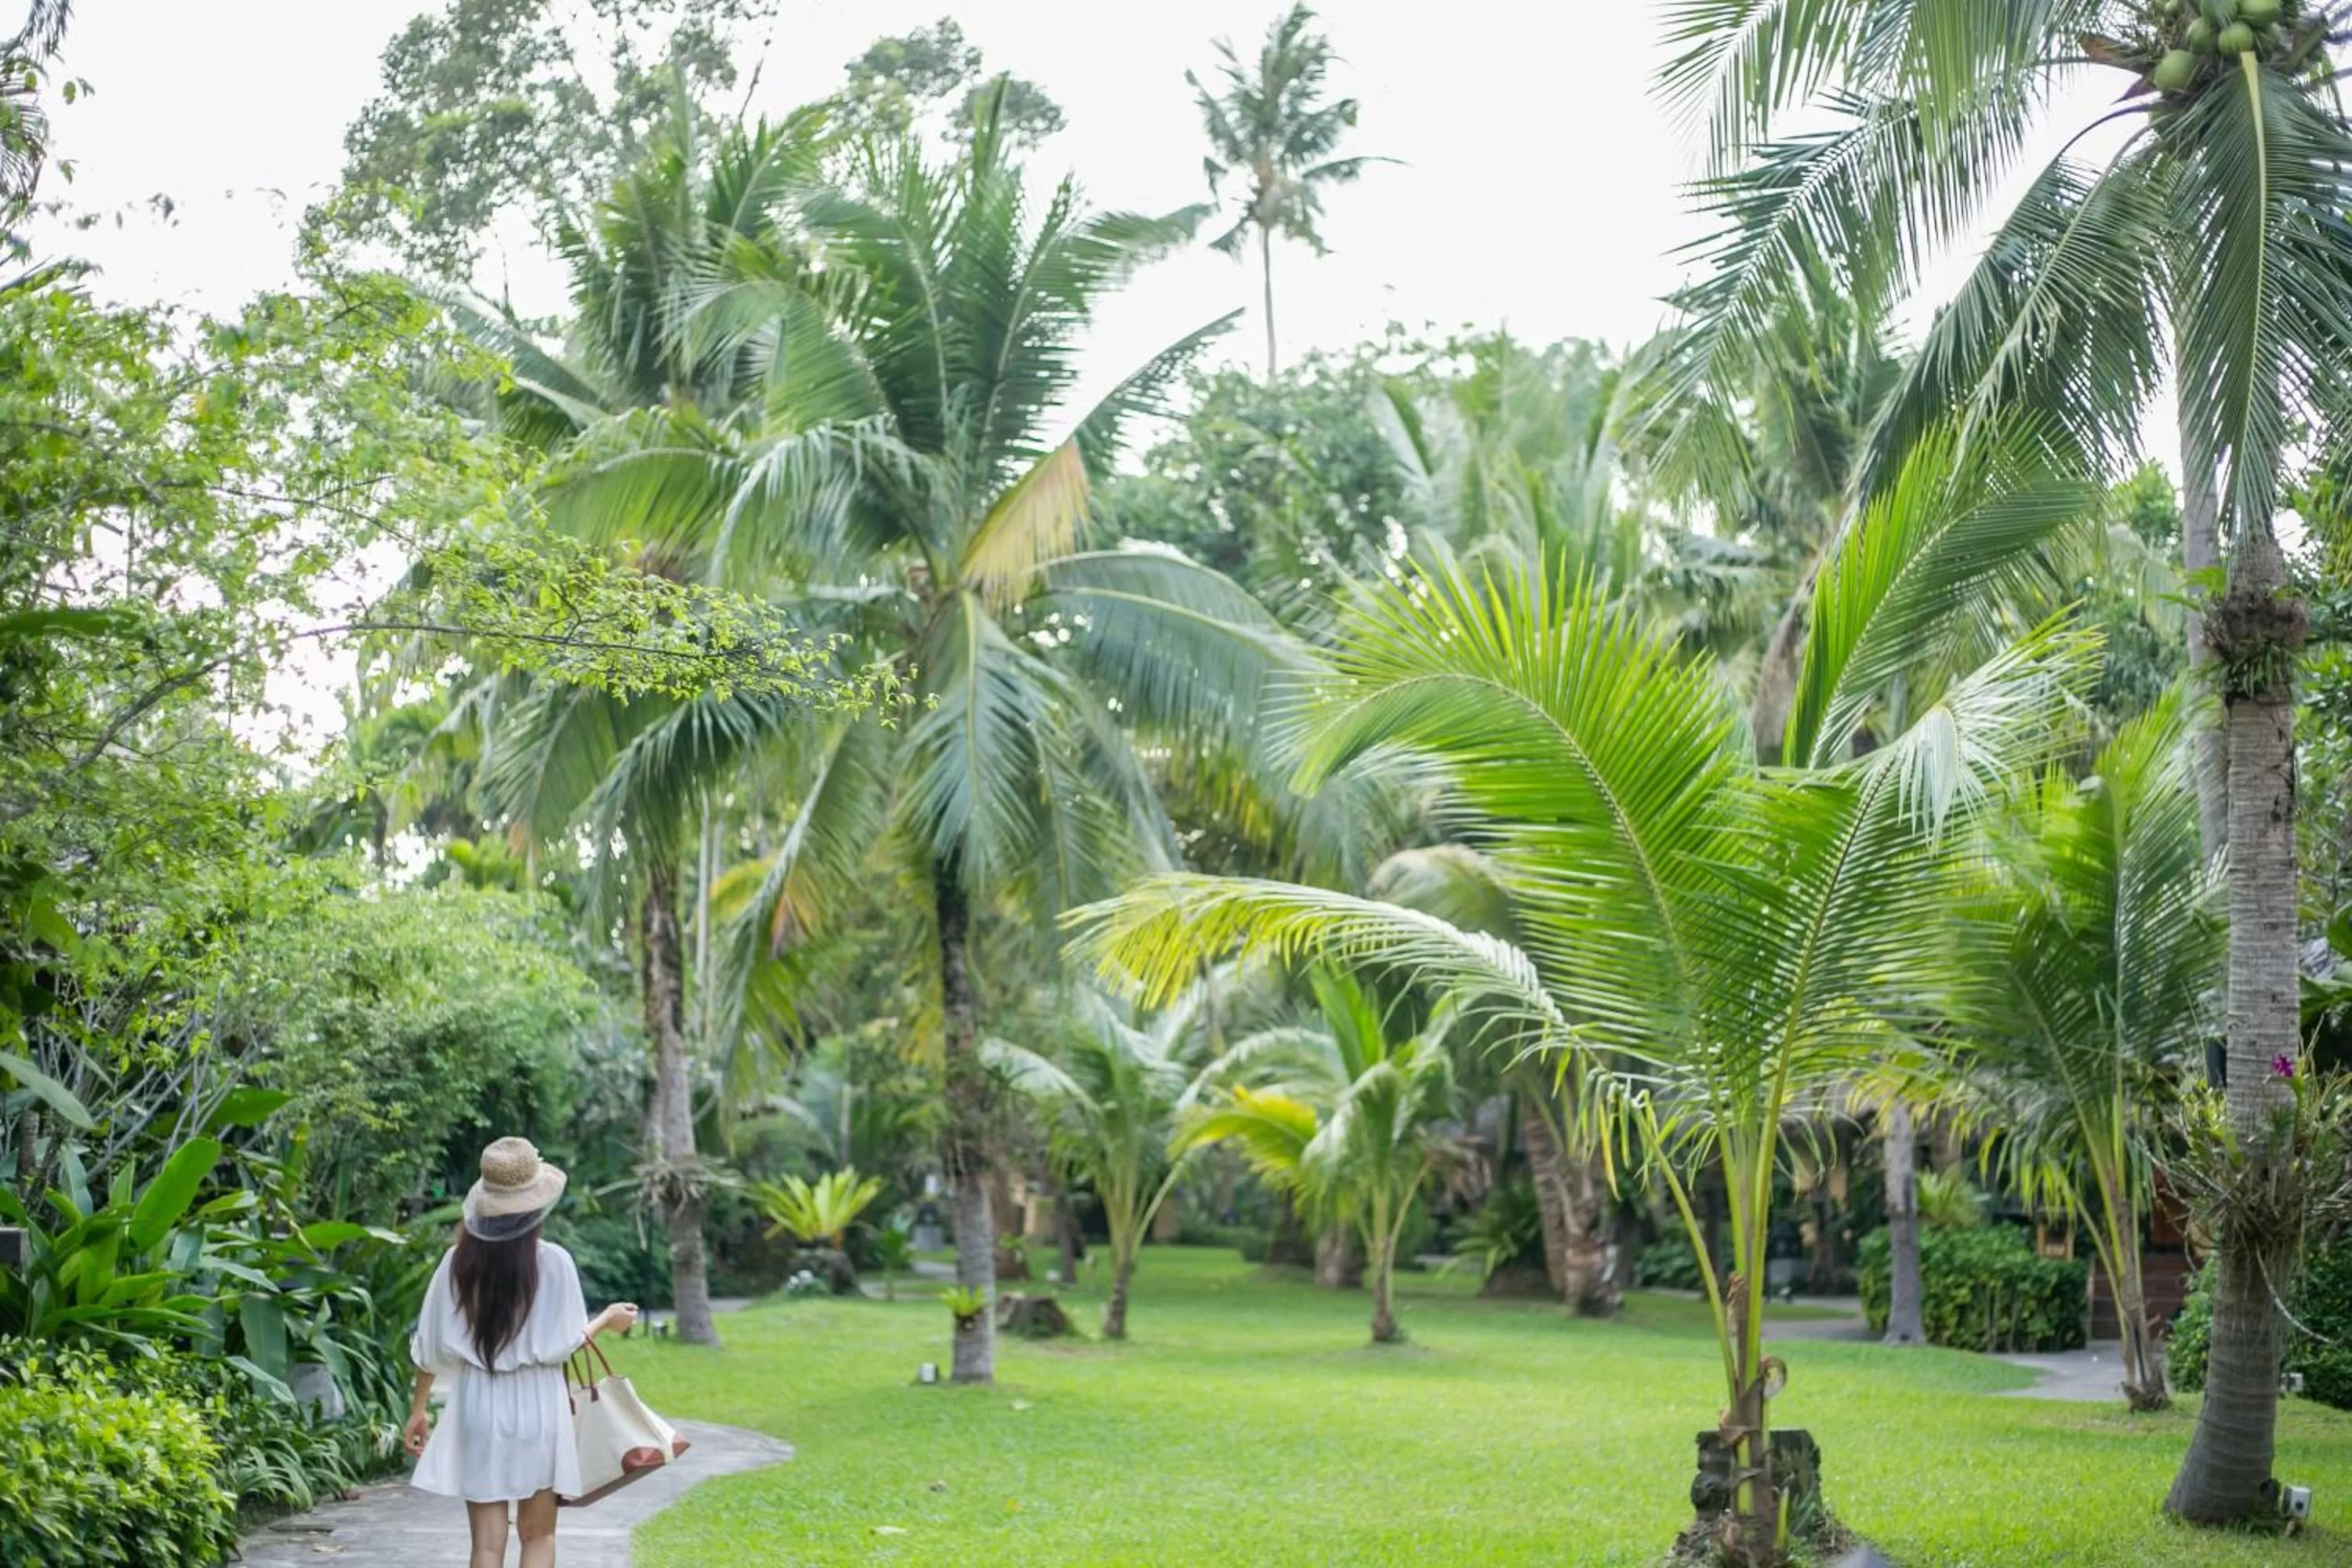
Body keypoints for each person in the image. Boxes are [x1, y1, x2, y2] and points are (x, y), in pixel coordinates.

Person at [404, 1137, 639, 1568]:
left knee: (486, 1545)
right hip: (540, 1406)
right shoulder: (555, 1263)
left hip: (478, 1403)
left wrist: (418, 1409)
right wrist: (607, 1319)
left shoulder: (457, 1264)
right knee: (539, 1535)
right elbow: (566, 1342)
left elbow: (429, 1347)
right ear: (536, 1207)